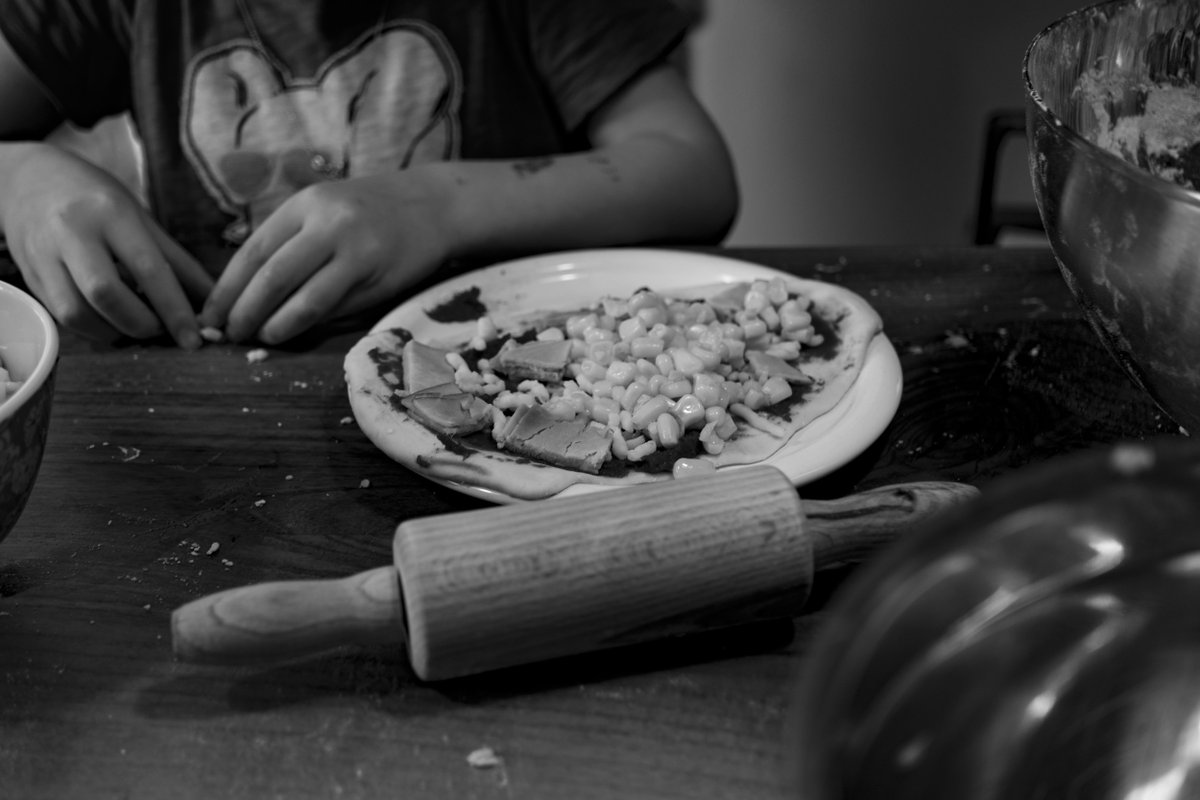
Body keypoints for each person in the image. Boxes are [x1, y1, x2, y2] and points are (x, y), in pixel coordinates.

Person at [0, 0, 738, 349]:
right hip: (208, 428)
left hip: (511, 380)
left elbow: (691, 170)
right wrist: (16, 175)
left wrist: (434, 204)